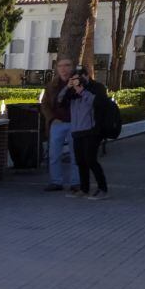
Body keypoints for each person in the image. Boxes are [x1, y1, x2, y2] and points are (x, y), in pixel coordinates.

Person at [58, 65, 109, 201]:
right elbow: (60, 101)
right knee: (80, 161)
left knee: (91, 160)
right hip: (77, 130)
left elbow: (98, 103)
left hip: (92, 130)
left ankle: (103, 189)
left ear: (86, 76)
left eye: (79, 77)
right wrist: (68, 87)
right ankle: (84, 188)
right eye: (74, 78)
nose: (77, 81)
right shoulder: (72, 90)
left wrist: (82, 91)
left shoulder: (96, 88)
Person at [40, 58, 79, 192]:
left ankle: (76, 182)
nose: (64, 69)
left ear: (72, 67)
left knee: (76, 155)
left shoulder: (79, 83)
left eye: (67, 65)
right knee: (54, 154)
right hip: (57, 124)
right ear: (57, 69)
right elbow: (44, 105)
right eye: (60, 66)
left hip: (75, 124)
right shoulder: (52, 85)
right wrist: (51, 119)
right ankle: (56, 181)